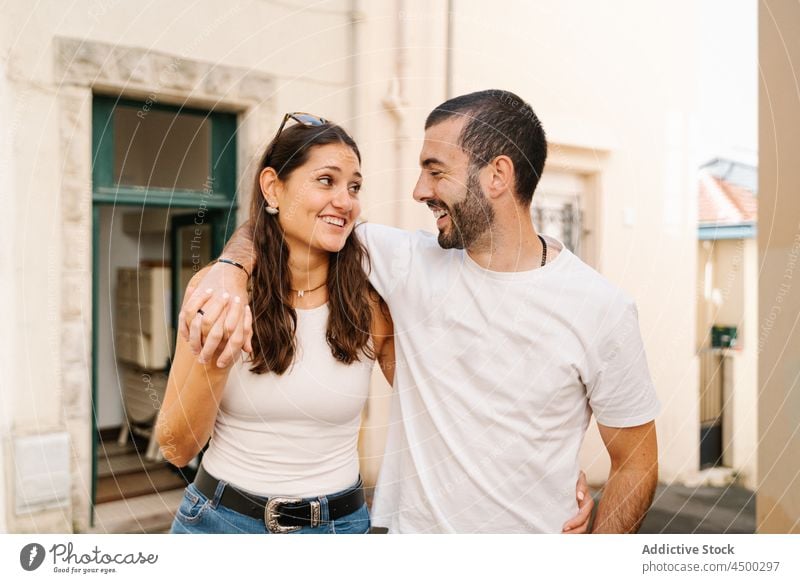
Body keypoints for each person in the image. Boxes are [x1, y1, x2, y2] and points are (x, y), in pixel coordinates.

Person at [183, 92, 650, 533]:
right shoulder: (403, 261)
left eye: (435, 171)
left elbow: (638, 463)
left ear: (497, 175)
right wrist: (230, 268)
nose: (418, 190)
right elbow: (287, 216)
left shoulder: (601, 310)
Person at [156, 115, 396, 534]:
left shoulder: (371, 305)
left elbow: (433, 404)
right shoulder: (221, 293)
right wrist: (217, 355)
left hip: (339, 530)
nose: (346, 200)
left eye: (354, 187)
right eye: (326, 180)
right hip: (221, 525)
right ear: (273, 187)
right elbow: (176, 447)